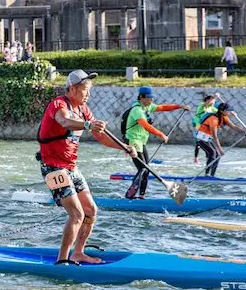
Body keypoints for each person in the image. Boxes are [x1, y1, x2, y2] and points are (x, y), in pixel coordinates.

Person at [36, 70, 136, 265]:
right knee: (77, 214)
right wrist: (89, 125)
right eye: (84, 90)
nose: (88, 95)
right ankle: (62, 260)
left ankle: (78, 253)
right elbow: (64, 121)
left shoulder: (83, 109)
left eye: (89, 90)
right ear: (72, 89)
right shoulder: (59, 104)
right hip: (53, 168)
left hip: (71, 168)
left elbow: (101, 136)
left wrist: (124, 147)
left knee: (91, 210)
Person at [121, 86, 189, 199]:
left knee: (146, 169)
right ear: (141, 98)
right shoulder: (137, 110)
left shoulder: (147, 107)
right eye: (149, 98)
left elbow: (162, 107)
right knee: (143, 168)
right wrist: (161, 134)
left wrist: (179, 106)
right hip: (133, 141)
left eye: (152, 98)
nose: (151, 100)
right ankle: (130, 195)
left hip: (141, 141)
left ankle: (142, 196)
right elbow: (145, 125)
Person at [196, 101, 246, 177]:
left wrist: (244, 131)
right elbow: (215, 136)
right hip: (201, 139)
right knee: (213, 154)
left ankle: (212, 175)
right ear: (222, 111)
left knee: (218, 155)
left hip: (208, 139)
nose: (230, 112)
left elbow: (233, 126)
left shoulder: (224, 117)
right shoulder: (213, 119)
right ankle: (206, 175)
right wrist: (220, 149)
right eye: (228, 111)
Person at [191, 94, 217, 164]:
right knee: (198, 141)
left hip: (205, 126)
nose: (213, 103)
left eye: (214, 102)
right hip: (197, 124)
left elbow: (220, 112)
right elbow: (206, 104)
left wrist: (231, 114)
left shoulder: (213, 108)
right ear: (207, 100)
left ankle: (208, 157)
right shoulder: (202, 105)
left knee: (207, 140)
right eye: (212, 101)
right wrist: (214, 97)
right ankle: (196, 158)